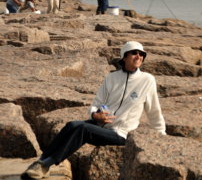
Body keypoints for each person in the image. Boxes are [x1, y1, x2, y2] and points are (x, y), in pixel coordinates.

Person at [21, 41, 166, 179]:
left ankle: (46, 165)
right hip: (101, 125)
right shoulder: (112, 78)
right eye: (134, 53)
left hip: (121, 133)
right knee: (72, 125)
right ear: (124, 56)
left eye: (142, 54)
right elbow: (97, 103)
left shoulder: (147, 80)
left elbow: (154, 110)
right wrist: (96, 115)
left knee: (83, 129)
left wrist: (161, 135)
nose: (139, 56)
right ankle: (42, 160)